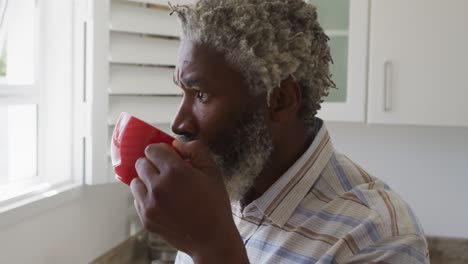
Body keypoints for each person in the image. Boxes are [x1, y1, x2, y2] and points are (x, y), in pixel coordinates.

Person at [130, 0, 429, 263]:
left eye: (201, 94)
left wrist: (211, 247)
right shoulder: (217, 191)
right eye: (182, 92)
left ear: (281, 100)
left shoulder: (380, 237)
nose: (179, 122)